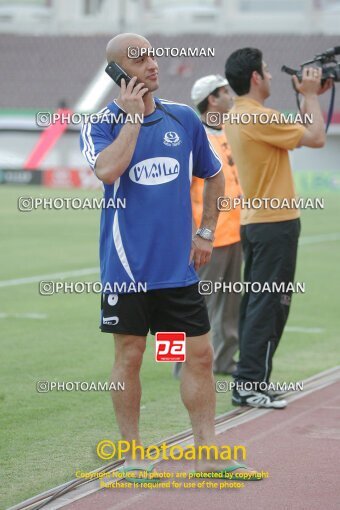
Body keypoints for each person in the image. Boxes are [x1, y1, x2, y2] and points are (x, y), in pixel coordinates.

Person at [80, 33, 258, 478]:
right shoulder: (100, 123)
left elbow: (214, 176)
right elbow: (107, 170)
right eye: (138, 59)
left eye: (152, 54)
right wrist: (133, 119)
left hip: (177, 272)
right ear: (119, 72)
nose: (152, 64)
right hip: (127, 272)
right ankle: (134, 453)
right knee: (131, 357)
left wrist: (205, 232)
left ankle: (206, 453)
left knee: (198, 355)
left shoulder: (184, 119)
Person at [224, 47, 331, 409]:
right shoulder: (259, 117)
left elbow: (300, 131)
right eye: (266, 71)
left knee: (260, 303)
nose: (271, 76)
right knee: (269, 305)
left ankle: (252, 379)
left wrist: (308, 98)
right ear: (255, 77)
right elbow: (316, 138)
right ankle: (249, 382)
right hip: (275, 224)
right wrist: (311, 96)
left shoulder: (240, 115)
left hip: (258, 223)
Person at [173, 75, 242, 379]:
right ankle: (180, 365)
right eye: (225, 92)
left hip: (234, 235)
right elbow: (180, 193)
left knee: (229, 307)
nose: (231, 96)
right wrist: (194, 235)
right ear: (211, 99)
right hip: (205, 238)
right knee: (191, 304)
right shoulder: (194, 136)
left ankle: (224, 361)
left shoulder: (228, 132)